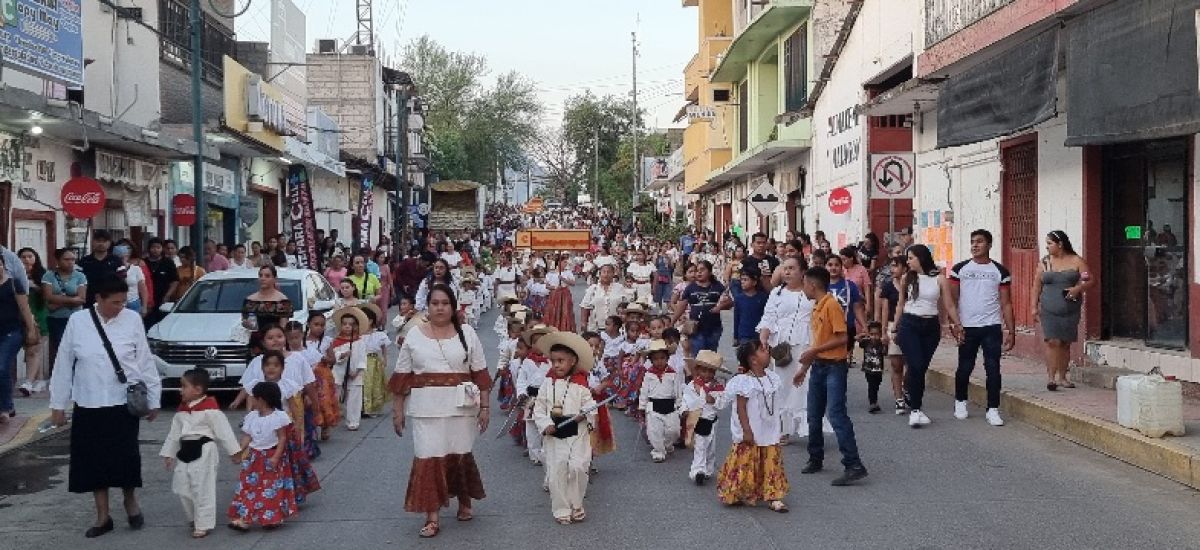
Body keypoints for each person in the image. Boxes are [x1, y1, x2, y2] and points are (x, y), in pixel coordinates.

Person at [48, 273, 163, 537]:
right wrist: (58, 403)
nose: (120, 307)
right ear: (98, 299)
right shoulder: (78, 321)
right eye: (114, 302)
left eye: (123, 302)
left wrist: (154, 398)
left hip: (123, 402)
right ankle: (103, 516)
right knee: (92, 461)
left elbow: (144, 361)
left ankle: (130, 501)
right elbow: (64, 363)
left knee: (125, 458)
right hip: (89, 402)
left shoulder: (132, 320)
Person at [389, 284, 491, 539]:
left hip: (461, 408)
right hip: (425, 409)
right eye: (435, 303)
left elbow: (480, 373)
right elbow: (402, 376)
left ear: (453, 306)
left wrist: (486, 407)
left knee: (459, 453)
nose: (440, 308)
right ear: (428, 306)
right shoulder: (414, 335)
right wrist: (397, 411)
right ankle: (431, 517)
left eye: (445, 303)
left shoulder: (467, 333)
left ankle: (464, 500)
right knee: (428, 457)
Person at [794, 266, 868, 486]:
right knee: (814, 415)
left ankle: (854, 464)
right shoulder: (817, 307)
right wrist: (804, 368)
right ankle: (815, 458)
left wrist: (814, 353)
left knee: (836, 414)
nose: (803, 288)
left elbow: (842, 338)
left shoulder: (832, 305)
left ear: (813, 285)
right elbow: (817, 343)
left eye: (805, 283)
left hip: (834, 366)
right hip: (818, 366)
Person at [159, 368, 241, 538]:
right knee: (182, 486)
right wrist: (169, 454)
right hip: (185, 451)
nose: (180, 390)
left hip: (204, 450)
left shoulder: (211, 411)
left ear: (197, 390)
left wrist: (234, 452)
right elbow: (174, 435)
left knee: (202, 487)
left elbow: (224, 432)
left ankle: (203, 523)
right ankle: (193, 517)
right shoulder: (181, 413)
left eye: (183, 386)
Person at [947, 229, 1014, 426]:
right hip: (967, 326)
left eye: (980, 242)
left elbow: (1006, 303)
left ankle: (992, 409)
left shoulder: (1000, 272)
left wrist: (1011, 329)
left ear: (989, 245)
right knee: (965, 366)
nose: (975, 245)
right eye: (972, 242)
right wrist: (954, 323)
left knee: (993, 368)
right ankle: (960, 401)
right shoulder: (960, 270)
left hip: (991, 326)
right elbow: (952, 299)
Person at [532, 331, 598, 525]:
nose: (557, 365)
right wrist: (546, 424)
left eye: (561, 361)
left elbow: (590, 405)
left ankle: (576, 503)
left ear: (573, 361)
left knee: (578, 467)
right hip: (555, 432)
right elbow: (539, 408)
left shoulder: (581, 383)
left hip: (577, 431)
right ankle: (561, 509)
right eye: (553, 361)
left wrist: (583, 414)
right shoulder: (547, 383)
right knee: (557, 471)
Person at [716, 340, 789, 512]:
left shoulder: (772, 377)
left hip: (769, 429)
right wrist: (746, 430)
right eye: (762, 350)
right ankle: (735, 492)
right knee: (745, 461)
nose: (767, 351)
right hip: (752, 429)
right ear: (753, 359)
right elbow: (741, 407)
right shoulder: (744, 381)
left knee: (771, 461)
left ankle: (774, 495)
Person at [893, 245, 952, 428]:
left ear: (921, 258)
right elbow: (901, 305)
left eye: (911, 258)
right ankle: (916, 410)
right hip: (910, 324)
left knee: (921, 368)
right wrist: (894, 328)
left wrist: (956, 324)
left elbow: (948, 305)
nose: (908, 262)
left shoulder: (939, 278)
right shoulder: (906, 278)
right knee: (916, 364)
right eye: (907, 258)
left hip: (931, 326)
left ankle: (912, 395)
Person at [226, 380, 297, 531]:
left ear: (262, 399)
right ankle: (244, 518)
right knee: (248, 487)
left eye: (253, 398)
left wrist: (276, 457)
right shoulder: (252, 416)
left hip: (271, 456)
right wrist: (239, 451)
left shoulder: (279, 417)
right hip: (254, 457)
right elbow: (247, 436)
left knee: (270, 489)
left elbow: (282, 438)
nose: (251, 401)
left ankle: (271, 518)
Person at [1034, 230, 1093, 390]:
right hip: (1048, 308)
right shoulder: (1045, 262)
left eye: (1050, 243)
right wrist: (1034, 306)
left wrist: (1077, 288)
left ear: (1060, 244)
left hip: (1069, 309)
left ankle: (1063, 377)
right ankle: (1051, 378)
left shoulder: (1077, 261)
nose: (1047, 247)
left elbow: (1089, 280)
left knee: (1065, 342)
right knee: (1053, 341)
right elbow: (1037, 286)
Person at [682, 350, 728, 485]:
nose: (707, 375)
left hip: (712, 421)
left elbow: (723, 404)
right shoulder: (692, 385)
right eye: (704, 371)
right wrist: (684, 410)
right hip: (697, 419)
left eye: (711, 371)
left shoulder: (718, 387)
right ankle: (697, 471)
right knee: (700, 446)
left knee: (710, 448)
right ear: (697, 370)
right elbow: (685, 399)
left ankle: (708, 469)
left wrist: (714, 400)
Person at [41, 248, 87, 382]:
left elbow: (81, 299)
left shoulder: (80, 276)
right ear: (58, 260)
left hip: (75, 318)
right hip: (56, 319)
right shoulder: (49, 276)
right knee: (60, 347)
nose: (70, 262)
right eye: (66, 259)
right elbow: (48, 297)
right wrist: (71, 300)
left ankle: (76, 376)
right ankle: (62, 377)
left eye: (73, 259)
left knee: (76, 347)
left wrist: (59, 301)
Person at [640, 338, 685, 463]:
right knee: (655, 431)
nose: (659, 361)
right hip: (654, 405)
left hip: (670, 405)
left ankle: (667, 444)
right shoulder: (649, 374)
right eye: (656, 359)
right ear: (651, 360)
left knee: (674, 430)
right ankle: (658, 451)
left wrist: (680, 406)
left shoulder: (673, 374)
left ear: (667, 358)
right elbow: (644, 391)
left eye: (662, 358)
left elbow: (678, 391)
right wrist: (642, 406)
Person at [326, 307, 369, 431]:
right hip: (339, 371)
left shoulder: (360, 341)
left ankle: (353, 420)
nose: (347, 327)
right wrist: (342, 355)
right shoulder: (336, 341)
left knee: (354, 396)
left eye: (350, 324)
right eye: (344, 324)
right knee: (335, 394)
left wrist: (357, 371)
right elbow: (333, 355)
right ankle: (334, 416)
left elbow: (362, 357)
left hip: (355, 372)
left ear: (356, 326)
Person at [876, 255, 908, 415]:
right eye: (892, 266)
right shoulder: (888, 286)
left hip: (911, 327)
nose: (892, 269)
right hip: (892, 326)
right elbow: (885, 309)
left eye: (896, 266)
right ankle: (899, 398)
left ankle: (908, 389)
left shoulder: (912, 285)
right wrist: (883, 331)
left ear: (904, 268)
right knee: (896, 364)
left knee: (913, 364)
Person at [674, 260, 726, 352]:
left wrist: (719, 307)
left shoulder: (718, 286)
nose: (699, 272)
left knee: (710, 357)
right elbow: (682, 305)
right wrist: (672, 321)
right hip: (696, 328)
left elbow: (729, 301)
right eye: (697, 270)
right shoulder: (690, 288)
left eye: (702, 270)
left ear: (709, 272)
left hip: (714, 328)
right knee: (697, 355)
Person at [17, 248, 48, 395]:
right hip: (19, 317)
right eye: (23, 257)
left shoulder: (43, 275)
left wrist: (34, 286)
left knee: (34, 349)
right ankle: (39, 379)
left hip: (39, 315)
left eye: (30, 256)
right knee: (30, 351)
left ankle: (30, 382)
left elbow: (48, 295)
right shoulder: (15, 275)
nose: (27, 260)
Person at [242, 266, 295, 351]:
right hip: (256, 343)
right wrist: (247, 324)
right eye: (260, 275)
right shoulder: (250, 300)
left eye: (267, 276)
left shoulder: (282, 300)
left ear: (275, 279)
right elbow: (246, 323)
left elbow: (283, 326)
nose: (263, 278)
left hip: (275, 342)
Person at [825, 255, 868, 352]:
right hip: (825, 329)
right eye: (830, 265)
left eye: (836, 265)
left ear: (841, 267)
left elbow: (857, 308)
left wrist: (864, 326)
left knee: (843, 359)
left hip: (846, 328)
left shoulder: (850, 286)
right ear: (825, 267)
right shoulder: (822, 285)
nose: (833, 268)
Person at [723, 264, 769, 348]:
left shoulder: (763, 298)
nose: (742, 282)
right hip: (744, 336)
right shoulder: (739, 298)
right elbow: (736, 318)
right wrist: (736, 336)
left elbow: (767, 316)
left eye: (745, 280)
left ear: (754, 282)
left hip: (759, 335)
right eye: (741, 280)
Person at [77, 230, 122, 305]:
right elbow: (78, 281)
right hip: (89, 300)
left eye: (104, 241)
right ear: (92, 242)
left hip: (110, 299)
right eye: (98, 241)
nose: (101, 243)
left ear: (109, 243)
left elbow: (122, 281)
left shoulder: (116, 261)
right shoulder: (84, 261)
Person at [579, 264, 628, 332]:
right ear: (600, 274)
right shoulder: (593, 288)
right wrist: (583, 323)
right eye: (604, 272)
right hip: (596, 328)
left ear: (613, 274)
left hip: (616, 329)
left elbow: (626, 306)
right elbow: (585, 307)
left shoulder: (619, 288)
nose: (606, 274)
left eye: (609, 272)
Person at [143, 238, 180, 328]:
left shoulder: (168, 262)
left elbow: (175, 281)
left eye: (158, 247)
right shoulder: (143, 262)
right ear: (148, 248)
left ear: (162, 248)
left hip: (163, 299)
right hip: (147, 299)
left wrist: (167, 295)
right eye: (153, 247)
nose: (155, 250)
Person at [114, 241, 149, 318]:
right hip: (116, 303)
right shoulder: (111, 269)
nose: (122, 258)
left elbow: (143, 288)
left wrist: (144, 307)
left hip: (133, 303)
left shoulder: (136, 269)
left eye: (127, 249)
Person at [859, 322, 887, 413]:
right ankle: (873, 403)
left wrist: (885, 343)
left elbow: (885, 353)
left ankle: (874, 401)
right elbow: (857, 339)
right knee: (872, 385)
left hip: (878, 369)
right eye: (872, 334)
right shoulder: (866, 342)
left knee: (877, 384)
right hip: (868, 369)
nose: (874, 337)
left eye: (876, 334)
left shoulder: (881, 343)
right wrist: (863, 334)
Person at [544, 256, 577, 332]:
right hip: (555, 294)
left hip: (565, 295)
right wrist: (554, 288)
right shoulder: (551, 273)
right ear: (559, 262)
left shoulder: (568, 272)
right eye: (564, 262)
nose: (566, 264)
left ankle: (565, 328)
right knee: (554, 311)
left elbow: (573, 283)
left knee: (565, 311)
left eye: (566, 262)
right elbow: (547, 286)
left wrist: (563, 279)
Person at [840, 246, 874, 316]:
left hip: (858, 302)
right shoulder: (840, 270)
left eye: (844, 260)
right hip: (843, 303)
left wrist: (868, 304)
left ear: (851, 258)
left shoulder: (861, 269)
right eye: (841, 260)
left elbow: (866, 287)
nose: (842, 262)